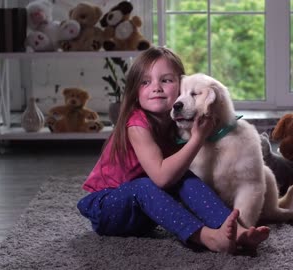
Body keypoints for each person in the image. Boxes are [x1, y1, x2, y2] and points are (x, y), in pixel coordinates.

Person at [77, 46, 270, 254]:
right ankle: (208, 237)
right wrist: (198, 138)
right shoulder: (136, 123)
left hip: (147, 212)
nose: (156, 87)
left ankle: (237, 231)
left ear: (180, 87)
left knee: (183, 177)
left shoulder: (177, 123)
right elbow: (161, 178)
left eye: (166, 80)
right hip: (108, 210)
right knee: (146, 184)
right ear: (135, 92)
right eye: (145, 82)